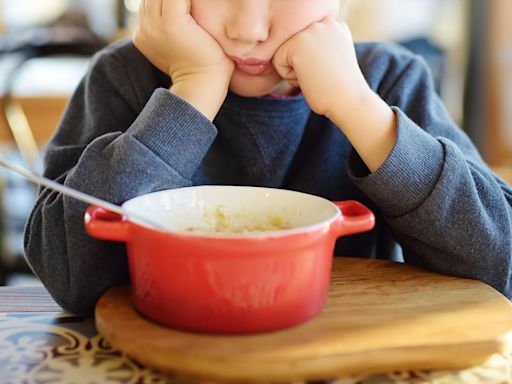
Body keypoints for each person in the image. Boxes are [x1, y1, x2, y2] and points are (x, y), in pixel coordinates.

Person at [24, 0, 512, 315]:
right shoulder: (123, 78)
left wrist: (359, 111)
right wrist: (193, 89)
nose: (248, 28)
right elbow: (68, 278)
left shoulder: (386, 81)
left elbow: (500, 262)